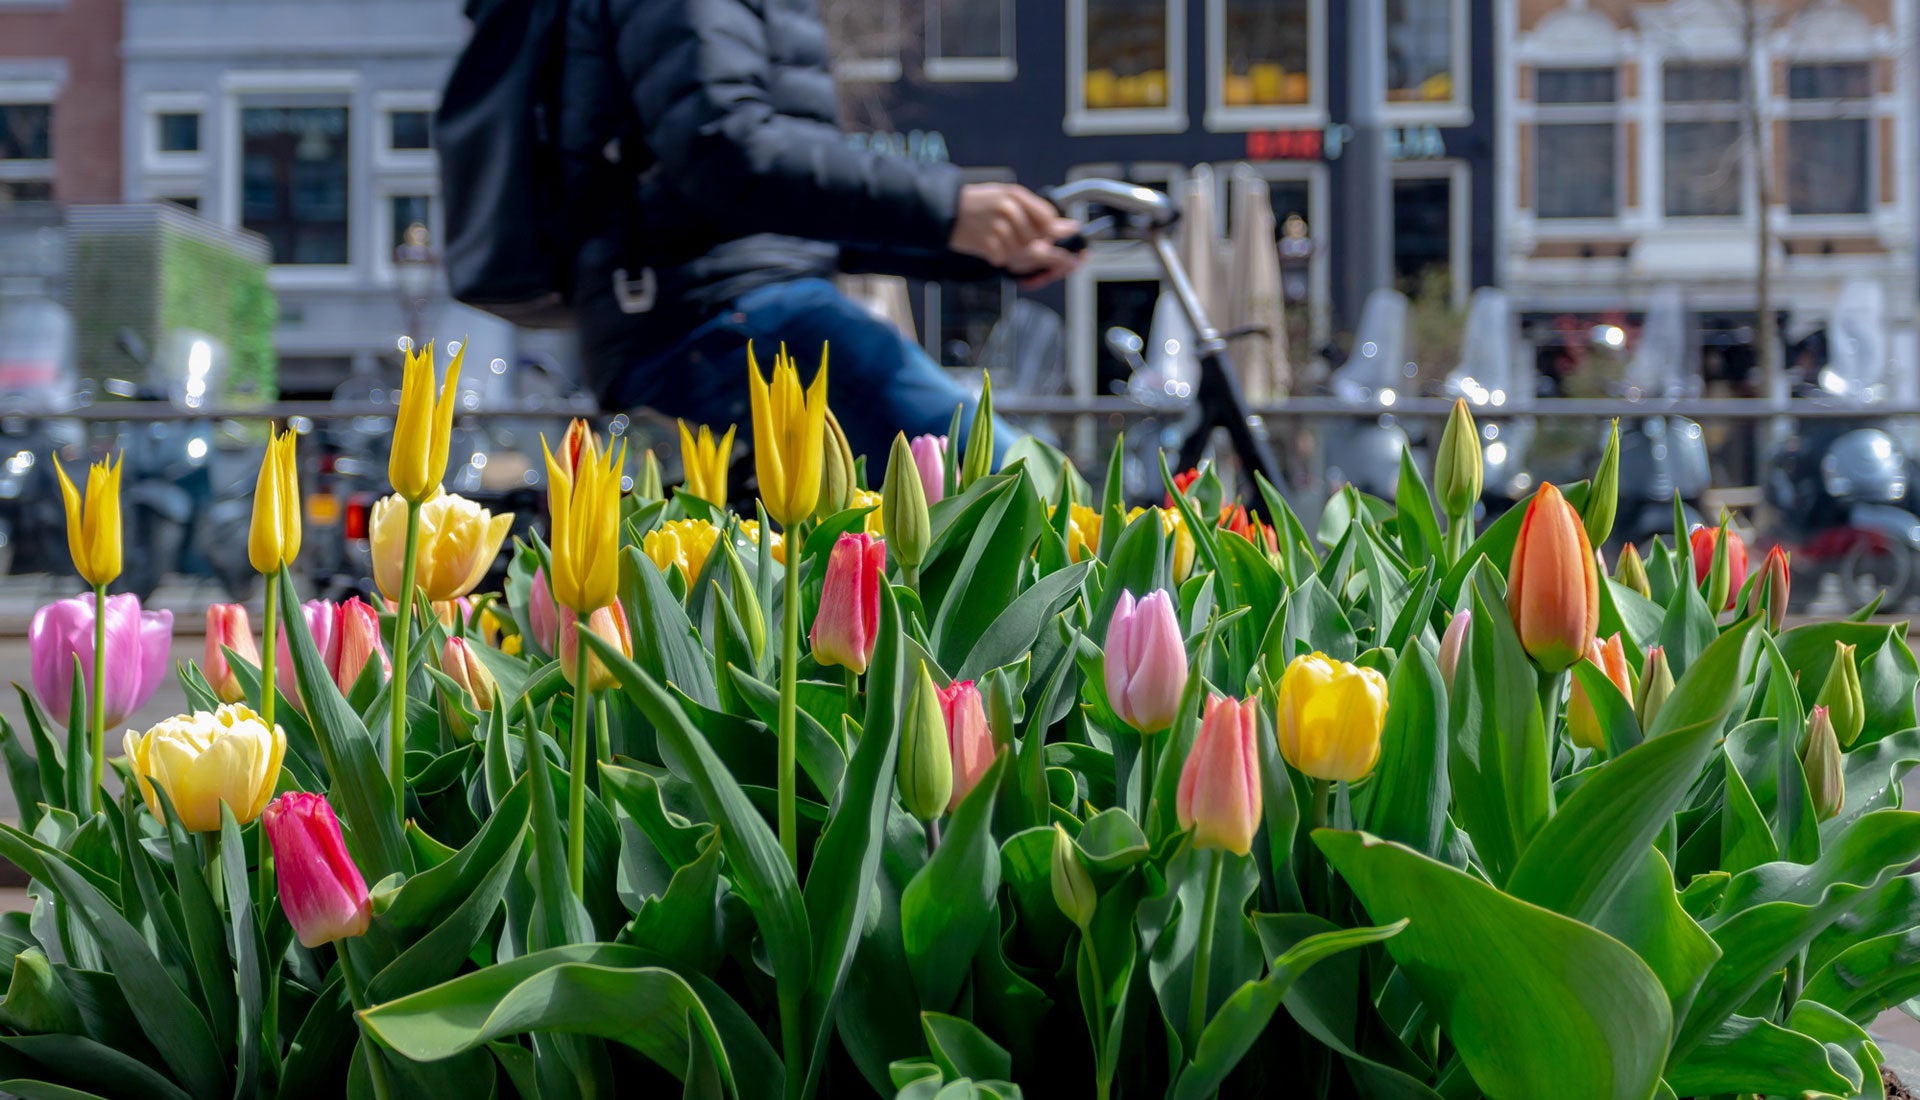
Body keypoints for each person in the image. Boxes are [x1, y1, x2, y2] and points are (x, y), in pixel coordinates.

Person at [560, 0, 1081, 465]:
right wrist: (948, 208)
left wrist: (972, 249)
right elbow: (725, 153)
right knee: (1018, 482)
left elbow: (785, 213)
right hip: (706, 316)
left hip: (722, 304)